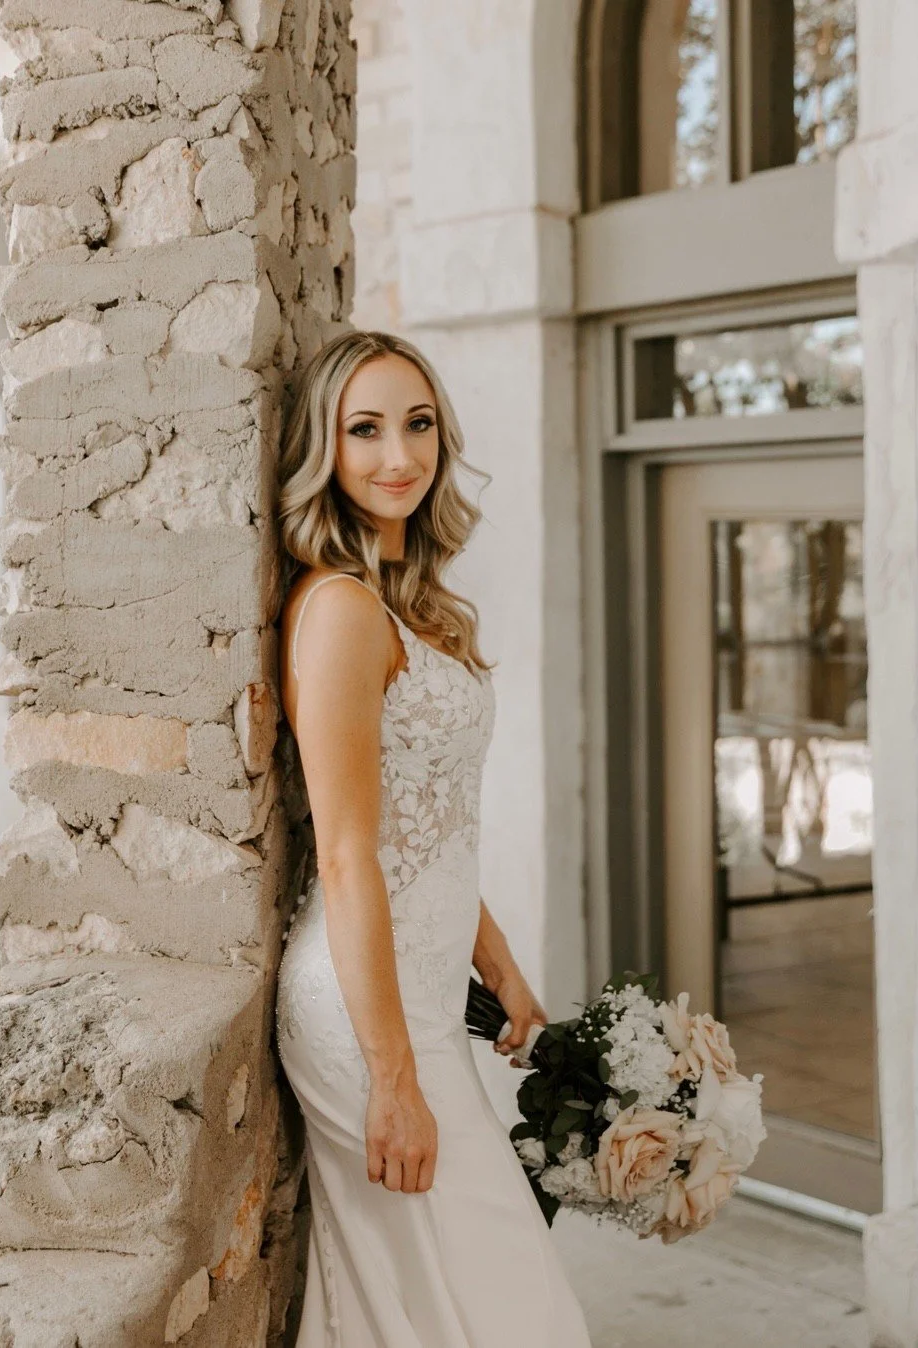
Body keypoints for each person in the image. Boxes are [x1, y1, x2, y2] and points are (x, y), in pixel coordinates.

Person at [274, 329, 593, 1347]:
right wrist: (396, 1079)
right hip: (362, 1014)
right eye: (363, 429)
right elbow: (347, 853)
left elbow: (433, 820)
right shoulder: (338, 612)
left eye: (416, 424)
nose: (397, 455)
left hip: (422, 984)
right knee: (504, 1302)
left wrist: (494, 957)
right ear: (324, 449)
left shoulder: (410, 606)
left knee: (429, 1303)